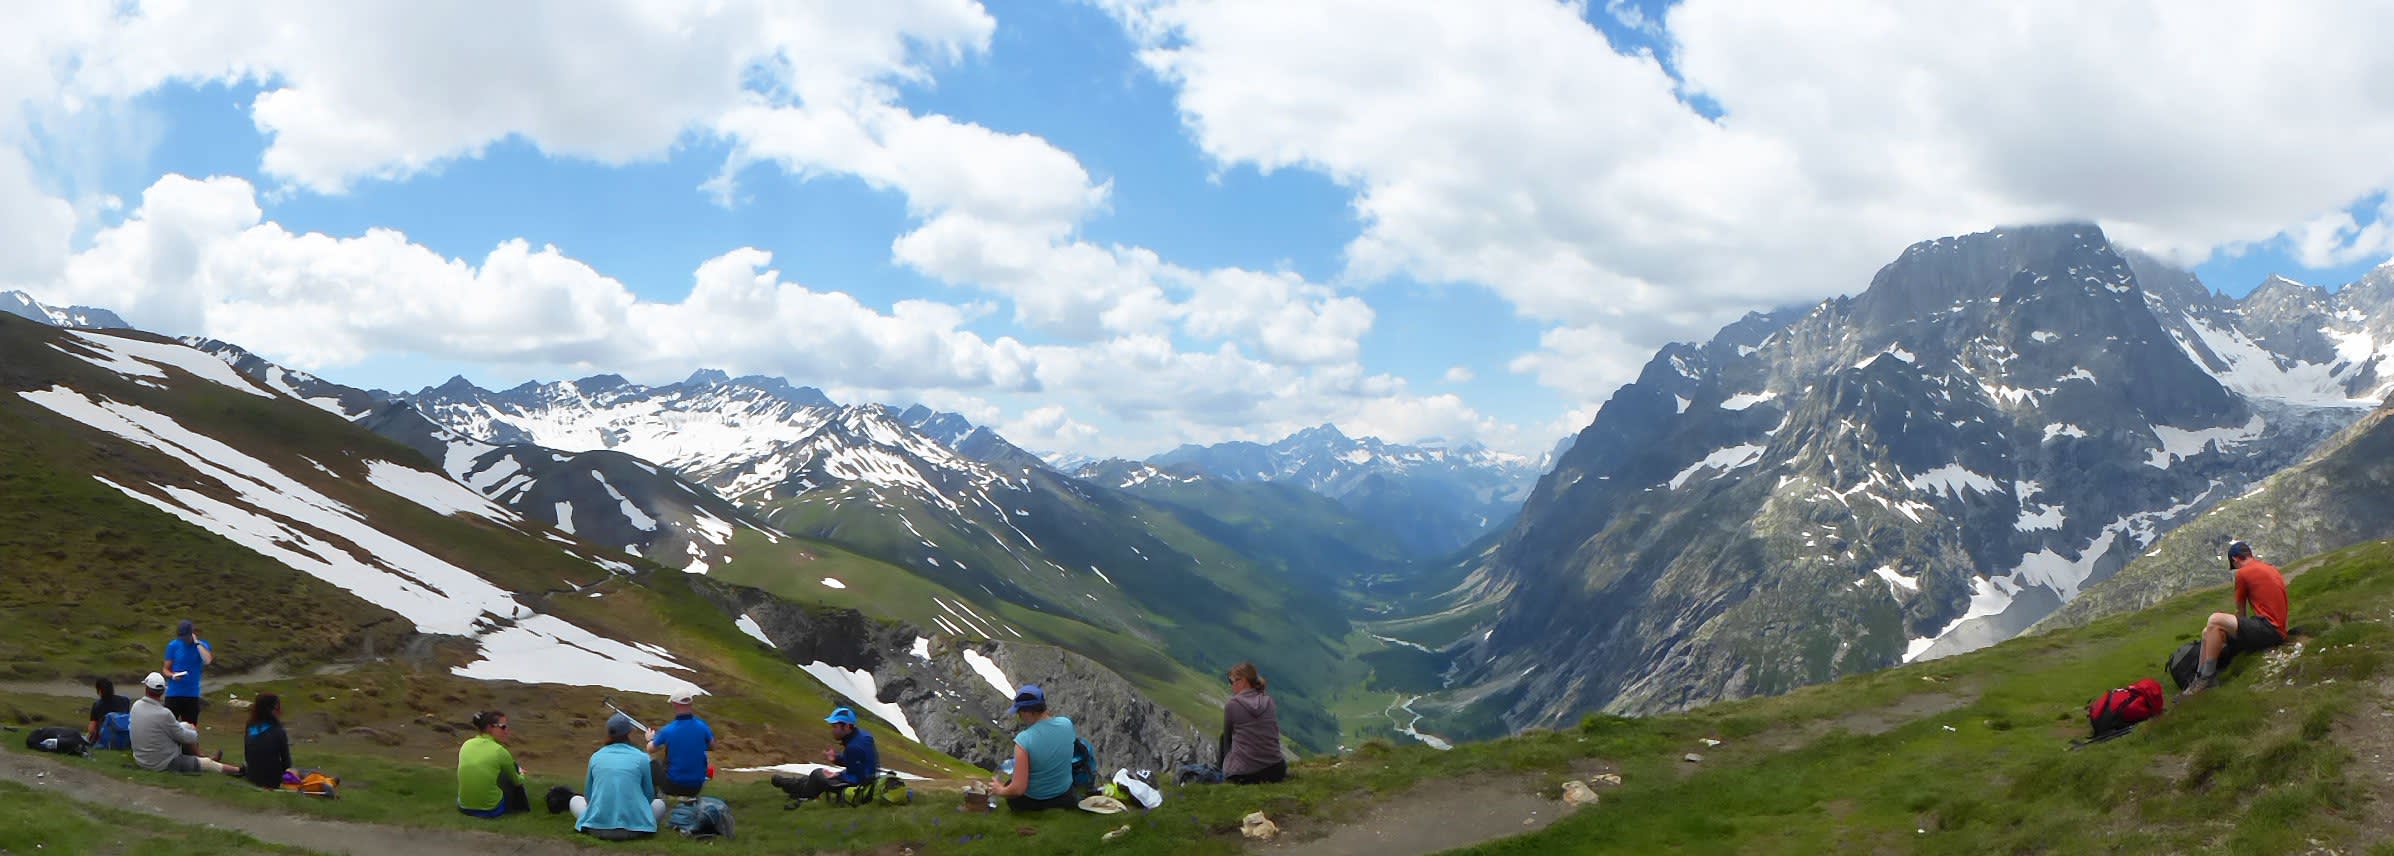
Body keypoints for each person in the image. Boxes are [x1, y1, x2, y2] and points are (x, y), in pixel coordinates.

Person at [2185, 541, 2290, 696]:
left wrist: (2226, 621)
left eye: (2234, 566)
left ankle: (2206, 679)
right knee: (2209, 631)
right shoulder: (2270, 568)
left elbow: (2241, 613)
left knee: (2214, 620)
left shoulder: (2243, 573)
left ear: (2235, 559)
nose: (2236, 570)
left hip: (2269, 629)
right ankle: (2199, 677)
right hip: (2278, 629)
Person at [570, 713, 669, 840]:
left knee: (575, 800)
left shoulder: (596, 757)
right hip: (636, 829)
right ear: (628, 733)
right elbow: (649, 796)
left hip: (596, 828)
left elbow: (588, 796)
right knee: (659, 804)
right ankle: (640, 822)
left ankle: (595, 820)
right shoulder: (642, 758)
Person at [130, 672, 240, 777]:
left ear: (146, 688)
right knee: (207, 763)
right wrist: (194, 733)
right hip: (162, 762)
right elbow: (182, 737)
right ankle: (239, 770)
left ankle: (198, 755)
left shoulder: (136, 706)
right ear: (163, 691)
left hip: (140, 758)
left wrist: (188, 729)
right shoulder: (164, 714)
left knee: (186, 725)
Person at [989, 684, 1077, 812]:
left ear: (1027, 711)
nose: (1020, 716)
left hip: (1037, 802)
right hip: (1066, 796)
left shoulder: (1024, 740)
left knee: (1009, 786)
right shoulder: (1066, 723)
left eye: (1019, 712)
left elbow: (1018, 789)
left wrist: (1000, 790)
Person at [771, 707, 879, 802]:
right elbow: (854, 763)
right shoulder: (863, 735)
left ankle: (800, 793)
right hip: (867, 779)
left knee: (817, 774)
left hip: (860, 785)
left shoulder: (853, 747)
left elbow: (858, 776)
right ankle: (786, 783)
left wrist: (838, 775)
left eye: (834, 727)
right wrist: (835, 758)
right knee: (813, 778)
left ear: (846, 726)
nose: (832, 730)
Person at [1220, 662, 1287, 784]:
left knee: (1223, 737)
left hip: (1247, 775)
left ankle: (1222, 776)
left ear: (1243, 681)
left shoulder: (1233, 704)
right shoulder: (1268, 701)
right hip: (1277, 770)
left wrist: (1227, 768)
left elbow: (1227, 739)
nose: (1231, 686)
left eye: (1232, 681)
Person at [458, 710, 531, 818]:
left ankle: (473, 800)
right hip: (491, 810)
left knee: (492, 768)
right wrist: (521, 773)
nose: (506, 731)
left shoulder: (466, 744)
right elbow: (517, 782)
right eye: (503, 727)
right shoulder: (499, 751)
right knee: (511, 770)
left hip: (463, 807)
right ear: (489, 728)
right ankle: (521, 808)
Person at [646, 690, 713, 798]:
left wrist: (650, 739)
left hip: (673, 786)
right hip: (696, 787)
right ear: (691, 703)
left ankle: (654, 799)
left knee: (652, 765)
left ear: (674, 704)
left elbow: (650, 749)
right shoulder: (702, 726)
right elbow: (712, 746)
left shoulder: (668, 730)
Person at [161, 619, 213, 725]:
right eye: (181, 637)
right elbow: (165, 669)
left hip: (191, 694)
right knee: (168, 727)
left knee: (190, 729)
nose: (183, 639)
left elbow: (207, 660)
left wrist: (197, 643)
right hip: (173, 694)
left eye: (185, 637)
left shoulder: (201, 646)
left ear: (191, 634)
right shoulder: (173, 646)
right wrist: (173, 675)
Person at [241, 693, 295, 790]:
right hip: (273, 781)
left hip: (252, 776)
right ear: (271, 710)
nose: (280, 711)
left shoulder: (250, 725)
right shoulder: (278, 730)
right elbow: (286, 762)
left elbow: (247, 754)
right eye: (277, 708)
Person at [87, 677, 132, 745]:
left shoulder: (97, 705)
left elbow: (91, 729)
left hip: (105, 741)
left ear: (100, 691)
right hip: (125, 738)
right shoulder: (124, 700)